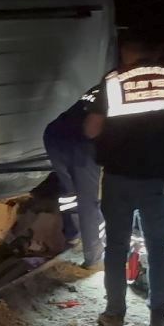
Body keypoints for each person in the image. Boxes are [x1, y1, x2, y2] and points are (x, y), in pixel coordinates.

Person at [84, 37, 164, 326]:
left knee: (117, 246)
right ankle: (158, 315)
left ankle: (115, 315)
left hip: (119, 177)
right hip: (159, 179)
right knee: (158, 245)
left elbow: (93, 128)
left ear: (127, 52)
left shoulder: (114, 81)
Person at [43, 65, 107, 270]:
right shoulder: (122, 94)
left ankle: (72, 235)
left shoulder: (99, 88)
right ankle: (94, 256)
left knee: (70, 192)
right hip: (82, 144)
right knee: (89, 201)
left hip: (54, 134)